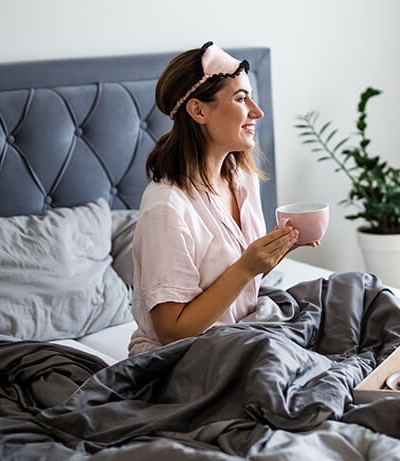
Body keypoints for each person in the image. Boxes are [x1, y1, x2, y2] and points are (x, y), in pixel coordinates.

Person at [128, 42, 318, 356]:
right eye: (242, 98)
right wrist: (246, 267)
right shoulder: (167, 206)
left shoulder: (241, 178)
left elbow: (235, 280)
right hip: (186, 360)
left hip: (242, 336)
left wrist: (279, 247)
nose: (257, 112)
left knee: (357, 294)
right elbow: (172, 332)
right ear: (199, 110)